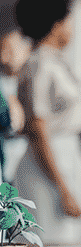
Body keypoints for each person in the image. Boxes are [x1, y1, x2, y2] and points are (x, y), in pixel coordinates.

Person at [13, 0, 81, 243]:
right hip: (45, 167)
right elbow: (38, 129)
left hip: (61, 159)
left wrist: (79, 130)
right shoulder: (39, 64)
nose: (71, 27)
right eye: (68, 20)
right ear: (55, 23)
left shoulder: (53, 60)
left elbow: (54, 116)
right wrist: (63, 189)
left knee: (66, 246)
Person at [0, 27, 29, 178]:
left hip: (27, 165)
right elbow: (14, 122)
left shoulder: (30, 83)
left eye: (9, 50)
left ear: (27, 51)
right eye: (1, 50)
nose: (3, 57)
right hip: (6, 165)